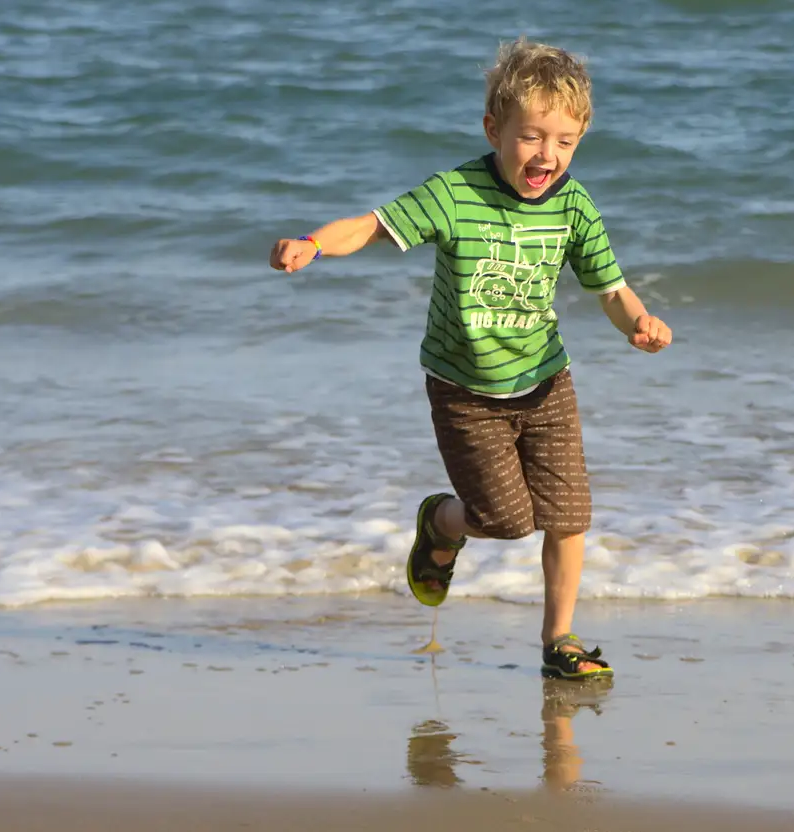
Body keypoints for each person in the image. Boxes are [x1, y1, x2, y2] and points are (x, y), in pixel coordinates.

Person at [269, 39, 672, 679]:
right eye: (533, 137)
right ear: (495, 129)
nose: (548, 156)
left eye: (565, 141)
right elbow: (372, 225)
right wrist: (314, 244)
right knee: (506, 521)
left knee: (568, 517)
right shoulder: (455, 193)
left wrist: (639, 324)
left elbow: (611, 291)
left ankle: (558, 640)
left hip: (545, 382)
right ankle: (440, 522)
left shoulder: (575, 206)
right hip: (464, 391)